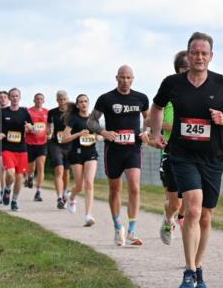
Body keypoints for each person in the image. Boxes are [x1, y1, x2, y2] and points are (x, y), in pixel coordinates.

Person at [148, 32, 223, 288]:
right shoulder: (172, 83)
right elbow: (156, 108)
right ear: (188, 54)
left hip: (213, 158)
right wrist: (156, 134)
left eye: (204, 53)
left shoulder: (222, 84)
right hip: (182, 155)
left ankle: (199, 265)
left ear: (211, 56)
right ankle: (189, 271)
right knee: (192, 208)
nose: (199, 57)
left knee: (205, 215)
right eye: (195, 52)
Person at [88, 65, 150, 247]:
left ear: (133, 79)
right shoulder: (106, 98)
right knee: (115, 190)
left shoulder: (141, 98)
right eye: (122, 77)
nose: (125, 81)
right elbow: (91, 121)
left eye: (128, 77)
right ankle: (118, 227)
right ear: (116, 78)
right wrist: (103, 132)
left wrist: (146, 131)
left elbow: (148, 120)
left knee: (134, 187)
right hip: (113, 151)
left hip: (133, 149)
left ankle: (132, 230)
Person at [158, 50, 189, 245]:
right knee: (175, 202)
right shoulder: (169, 92)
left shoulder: (199, 92)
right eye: (184, 68)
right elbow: (153, 119)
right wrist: (176, 126)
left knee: (191, 198)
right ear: (178, 70)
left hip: (192, 152)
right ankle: (169, 218)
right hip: (170, 152)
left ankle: (182, 219)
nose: (188, 71)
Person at [0, 87, 33, 211]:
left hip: (21, 149)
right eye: (12, 96)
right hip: (7, 148)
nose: (14, 98)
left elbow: (31, 126)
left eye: (16, 96)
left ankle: (14, 201)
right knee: (10, 173)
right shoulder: (3, 112)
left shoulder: (24, 112)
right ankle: (7, 189)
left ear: (20, 97)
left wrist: (30, 127)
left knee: (20, 177)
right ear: (9, 98)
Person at [60, 94, 98, 227]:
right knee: (80, 186)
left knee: (89, 182)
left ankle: (88, 215)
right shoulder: (74, 119)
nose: (83, 103)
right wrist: (79, 134)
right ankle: (71, 197)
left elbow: (99, 133)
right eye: (81, 102)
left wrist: (99, 137)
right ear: (77, 105)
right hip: (76, 154)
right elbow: (64, 139)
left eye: (85, 101)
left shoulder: (93, 118)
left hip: (91, 153)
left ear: (88, 103)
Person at [47, 91, 72, 209]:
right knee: (59, 170)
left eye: (64, 99)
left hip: (70, 145)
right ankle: (59, 198)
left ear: (67, 99)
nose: (62, 101)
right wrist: (49, 132)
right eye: (60, 99)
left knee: (66, 172)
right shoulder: (52, 112)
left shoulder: (73, 112)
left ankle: (65, 192)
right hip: (56, 144)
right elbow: (48, 124)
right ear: (57, 100)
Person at [26, 92, 49, 201]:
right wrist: (30, 129)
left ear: (43, 101)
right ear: (34, 100)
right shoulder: (29, 111)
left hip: (42, 143)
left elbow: (50, 126)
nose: (39, 100)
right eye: (37, 99)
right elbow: (25, 126)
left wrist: (50, 132)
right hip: (30, 143)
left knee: (41, 166)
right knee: (31, 168)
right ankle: (30, 177)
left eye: (41, 99)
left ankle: (38, 192)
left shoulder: (47, 112)